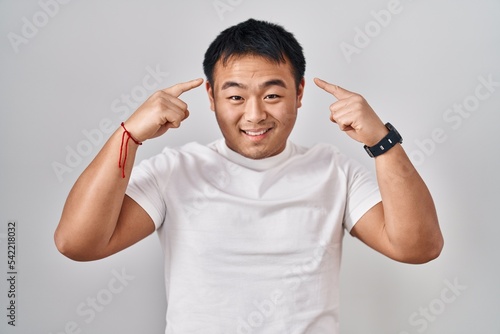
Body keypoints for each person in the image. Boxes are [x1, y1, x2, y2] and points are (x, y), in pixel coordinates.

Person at [55, 18, 443, 333]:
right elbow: (78, 243)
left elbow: (418, 247)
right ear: (210, 97)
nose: (255, 114)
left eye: (272, 95)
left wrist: (382, 142)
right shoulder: (176, 170)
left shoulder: (332, 170)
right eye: (236, 97)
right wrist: (130, 134)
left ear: (300, 92)